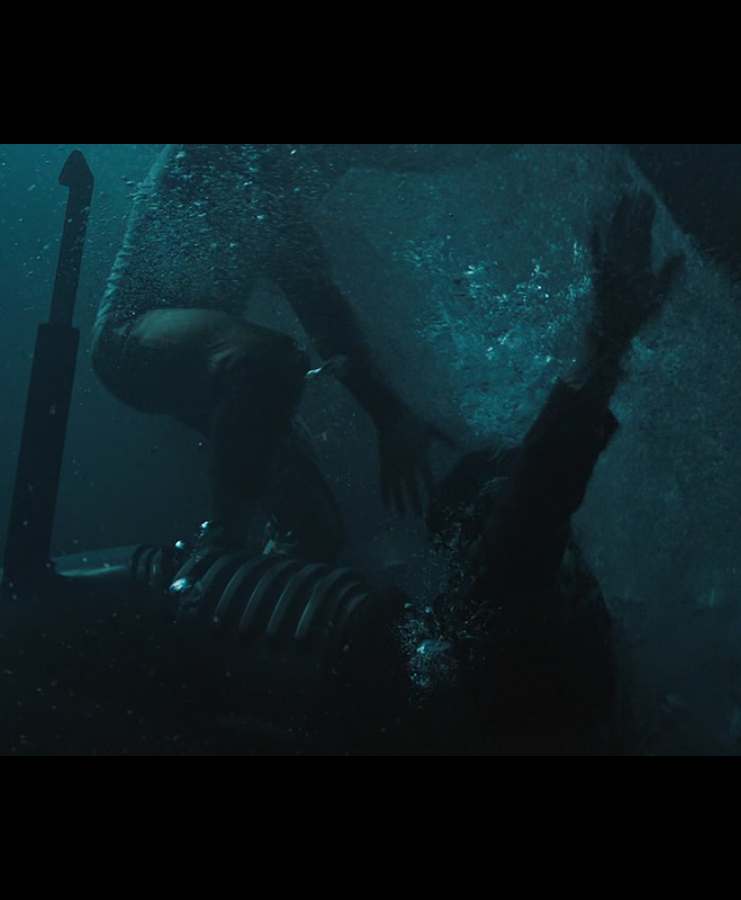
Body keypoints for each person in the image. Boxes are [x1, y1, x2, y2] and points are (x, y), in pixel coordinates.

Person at [169, 187, 682, 754]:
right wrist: (608, 335)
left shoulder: (515, 615)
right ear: (473, 529)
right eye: (499, 494)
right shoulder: (494, 604)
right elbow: (538, 493)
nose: (565, 542)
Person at [92, 145, 474, 563]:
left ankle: (233, 582)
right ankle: (219, 551)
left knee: (317, 536)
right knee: (270, 361)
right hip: (130, 341)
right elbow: (319, 308)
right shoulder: (244, 163)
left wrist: (390, 417)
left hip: (214, 362)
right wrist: (388, 416)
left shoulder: (272, 173)